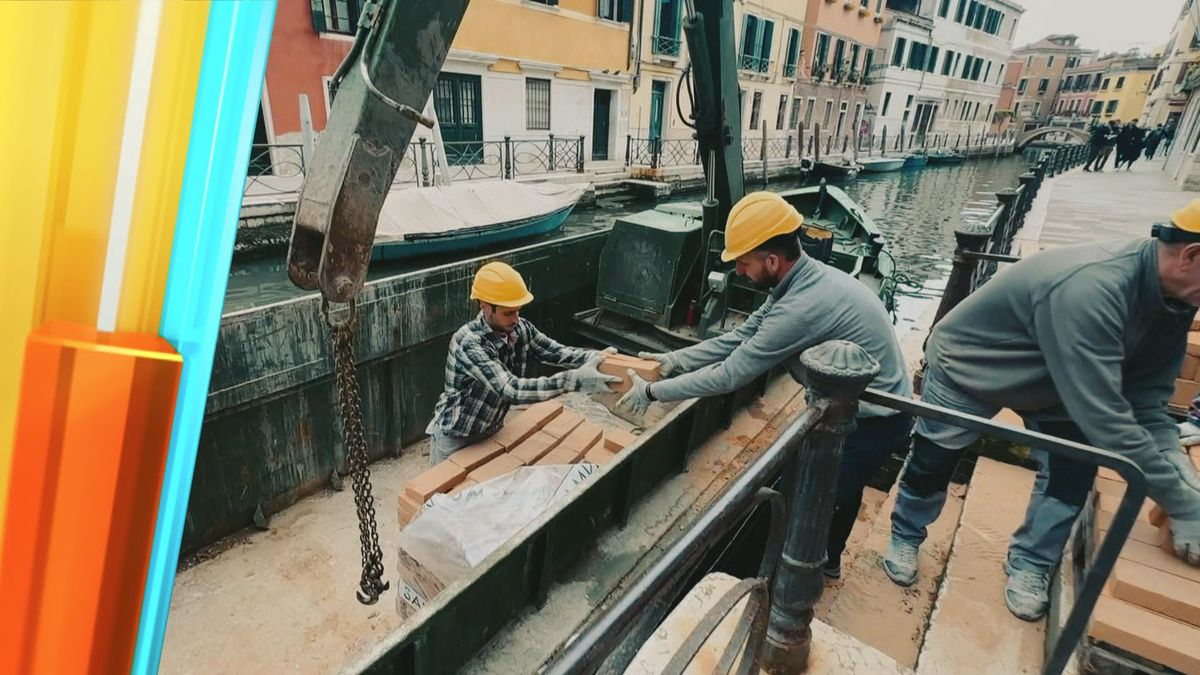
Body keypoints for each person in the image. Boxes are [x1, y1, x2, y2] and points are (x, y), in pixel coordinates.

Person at [882, 200, 1200, 623]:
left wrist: (1178, 470)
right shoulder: (1093, 288)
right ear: (1192, 256)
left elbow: (1146, 403)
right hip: (974, 365)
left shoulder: (1175, 299)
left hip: (1058, 380)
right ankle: (905, 535)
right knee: (934, 457)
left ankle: (1031, 562)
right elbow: (1107, 420)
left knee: (1074, 469)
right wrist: (1182, 505)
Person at [614, 192, 914, 579]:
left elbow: (729, 375)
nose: (738, 271)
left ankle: (803, 580)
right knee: (833, 490)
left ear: (772, 260)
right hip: (853, 405)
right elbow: (741, 336)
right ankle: (825, 562)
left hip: (873, 419)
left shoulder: (800, 308)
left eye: (743, 262)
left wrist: (652, 392)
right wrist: (674, 360)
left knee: (823, 498)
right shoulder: (800, 282)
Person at [425, 262, 619, 465]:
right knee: (444, 494)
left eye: (518, 311)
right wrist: (572, 381)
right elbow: (511, 389)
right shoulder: (469, 342)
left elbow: (556, 352)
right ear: (485, 307)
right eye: (508, 313)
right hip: (457, 436)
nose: (516, 319)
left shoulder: (520, 328)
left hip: (492, 429)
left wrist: (594, 357)